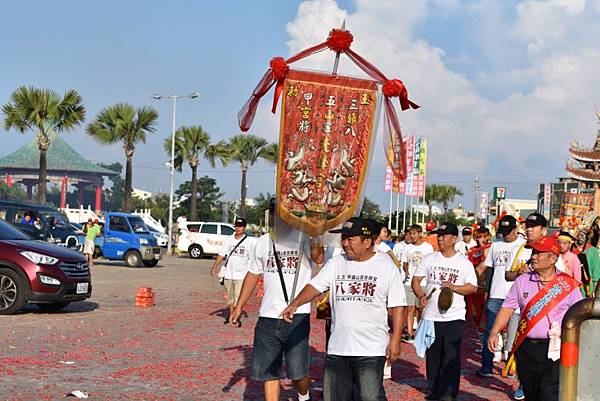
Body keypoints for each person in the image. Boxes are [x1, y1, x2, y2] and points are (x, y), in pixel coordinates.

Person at [281, 218, 407, 401]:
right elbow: (315, 286)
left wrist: (395, 340)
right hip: (338, 347)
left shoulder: (386, 266)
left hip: (371, 349)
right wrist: (295, 303)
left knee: (370, 396)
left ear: (367, 241)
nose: (345, 243)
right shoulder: (336, 263)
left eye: (350, 239)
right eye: (343, 239)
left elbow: (398, 305)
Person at [229, 200, 324, 401]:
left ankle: (303, 394)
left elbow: (318, 258)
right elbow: (253, 275)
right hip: (268, 316)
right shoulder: (263, 242)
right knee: (269, 371)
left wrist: (316, 232)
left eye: (282, 214)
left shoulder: (304, 237)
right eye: (275, 214)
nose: (277, 219)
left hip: (297, 315)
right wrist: (239, 306)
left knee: (298, 372)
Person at [487, 236, 582, 401]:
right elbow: (507, 308)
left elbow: (580, 314)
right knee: (531, 392)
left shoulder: (568, 285)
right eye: (533, 252)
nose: (534, 256)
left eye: (539, 253)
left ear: (553, 258)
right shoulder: (523, 280)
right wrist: (494, 331)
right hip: (526, 348)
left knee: (549, 392)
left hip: (555, 348)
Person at [411, 222, 478, 401]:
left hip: (454, 316)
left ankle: (449, 392)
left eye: (444, 236)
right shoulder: (429, 259)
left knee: (451, 355)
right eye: (438, 236)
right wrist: (421, 295)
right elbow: (416, 280)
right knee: (433, 355)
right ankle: (435, 389)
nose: (440, 239)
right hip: (431, 316)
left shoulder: (464, 263)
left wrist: (454, 288)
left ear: (454, 238)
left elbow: (472, 287)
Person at [475, 215, 525, 378]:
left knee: (513, 334)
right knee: (491, 331)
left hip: (515, 296)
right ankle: (486, 367)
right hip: (496, 295)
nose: (505, 235)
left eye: (508, 231)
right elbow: (484, 266)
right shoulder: (496, 244)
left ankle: (511, 367)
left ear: (516, 229)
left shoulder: (523, 246)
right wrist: (472, 275)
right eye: (502, 232)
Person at [210, 217, 255, 326]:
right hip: (229, 273)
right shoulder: (229, 239)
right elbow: (222, 254)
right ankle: (231, 315)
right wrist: (214, 266)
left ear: (244, 228)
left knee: (238, 297)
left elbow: (252, 258)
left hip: (242, 274)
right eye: (237, 226)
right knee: (230, 298)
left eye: (240, 226)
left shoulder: (250, 242)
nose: (238, 228)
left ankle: (236, 317)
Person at [401, 224, 434, 343]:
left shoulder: (428, 248)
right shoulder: (407, 248)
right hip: (409, 282)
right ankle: (409, 334)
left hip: (423, 282)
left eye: (414, 233)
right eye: (410, 233)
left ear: (420, 233)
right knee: (410, 309)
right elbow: (404, 262)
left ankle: (420, 332)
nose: (412, 236)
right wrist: (406, 270)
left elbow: (431, 264)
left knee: (421, 309)